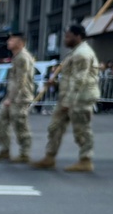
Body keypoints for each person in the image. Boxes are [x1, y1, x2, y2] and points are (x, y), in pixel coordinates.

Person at [30, 24, 100, 172]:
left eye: (68, 36)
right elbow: (70, 78)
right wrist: (55, 82)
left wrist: (68, 101)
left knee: (82, 129)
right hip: (68, 97)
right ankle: (49, 156)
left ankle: (85, 159)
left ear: (78, 36)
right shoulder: (75, 52)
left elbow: (79, 80)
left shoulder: (83, 54)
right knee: (54, 127)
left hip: (80, 97)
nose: (65, 39)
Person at [0, 32, 35, 163]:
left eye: (12, 40)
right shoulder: (17, 57)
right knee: (1, 123)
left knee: (20, 125)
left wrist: (11, 98)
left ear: (20, 42)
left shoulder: (22, 57)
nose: (8, 41)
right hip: (12, 96)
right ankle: (4, 150)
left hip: (20, 97)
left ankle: (24, 153)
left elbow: (21, 81)